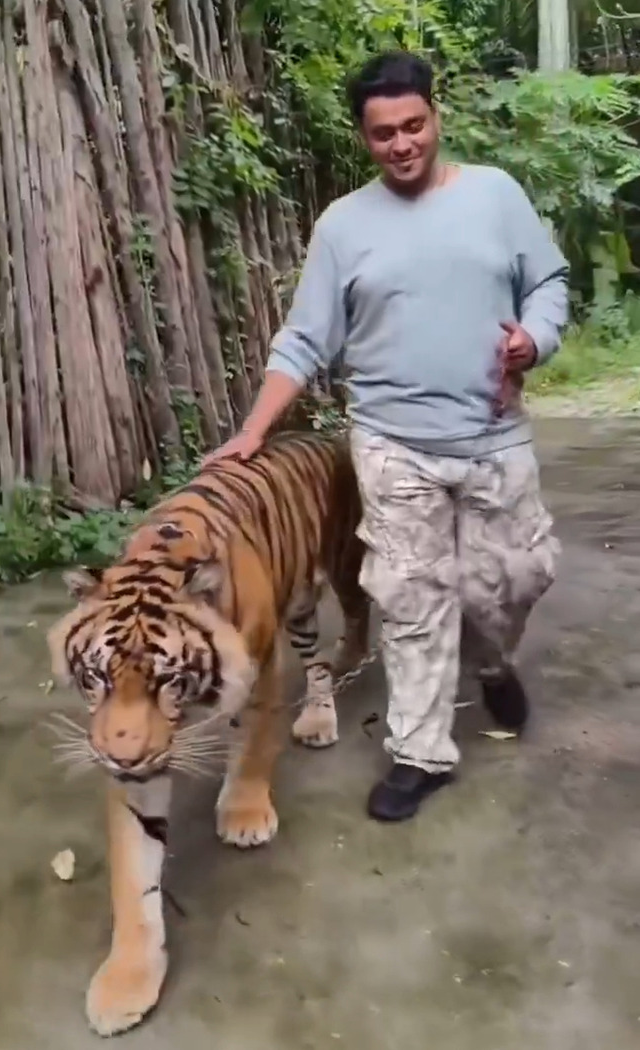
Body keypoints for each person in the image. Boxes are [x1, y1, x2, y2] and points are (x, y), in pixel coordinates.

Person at [202, 50, 567, 823]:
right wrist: (252, 432)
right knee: (412, 596)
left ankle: (493, 657)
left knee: (515, 578)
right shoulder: (343, 225)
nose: (401, 144)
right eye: (383, 134)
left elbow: (547, 282)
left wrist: (535, 339)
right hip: (391, 442)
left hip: (493, 435)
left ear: (436, 117)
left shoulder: (496, 197)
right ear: (363, 137)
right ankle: (420, 751)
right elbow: (303, 340)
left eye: (414, 125)